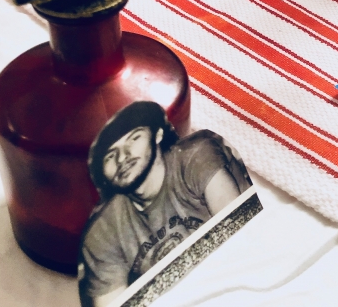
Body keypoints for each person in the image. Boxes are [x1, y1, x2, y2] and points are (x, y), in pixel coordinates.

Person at [79, 102, 253, 307]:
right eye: (110, 155)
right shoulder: (101, 233)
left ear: (158, 135)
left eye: (134, 138)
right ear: (103, 177)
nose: (122, 157)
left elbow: (244, 242)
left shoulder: (195, 156)